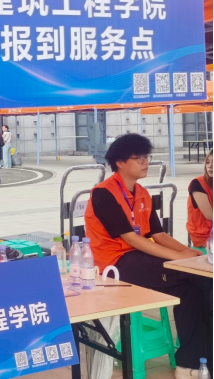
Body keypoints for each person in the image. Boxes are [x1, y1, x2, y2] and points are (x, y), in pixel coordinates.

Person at [84, 134, 210, 378]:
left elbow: (158, 234)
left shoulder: (142, 193)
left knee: (192, 289)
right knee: (197, 276)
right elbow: (131, 239)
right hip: (114, 264)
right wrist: (181, 258)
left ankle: (190, 363)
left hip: (138, 257)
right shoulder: (104, 193)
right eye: (139, 158)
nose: (145, 162)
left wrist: (186, 252)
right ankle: (195, 360)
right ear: (120, 162)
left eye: (146, 157)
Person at [186, 149, 213, 253]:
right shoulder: (197, 184)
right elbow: (210, 215)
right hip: (204, 240)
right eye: (208, 162)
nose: (210, 166)